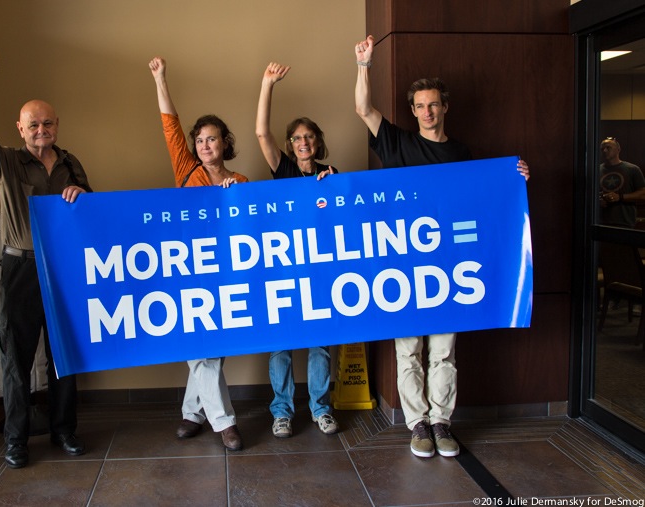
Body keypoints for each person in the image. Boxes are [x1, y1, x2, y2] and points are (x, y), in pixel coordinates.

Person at [353, 35, 530, 459]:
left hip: (448, 269)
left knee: (444, 352)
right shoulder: (397, 143)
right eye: (420, 106)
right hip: (403, 266)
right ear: (412, 111)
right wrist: (364, 64)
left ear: (444, 107)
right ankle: (417, 425)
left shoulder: (462, 153)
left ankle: (441, 422)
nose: (427, 112)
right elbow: (363, 108)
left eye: (434, 104)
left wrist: (514, 177)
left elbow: (482, 202)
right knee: (408, 351)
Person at [0, 54, 91, 469]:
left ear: (57, 126)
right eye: (33, 124)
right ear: (21, 129)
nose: (41, 130)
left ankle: (63, 430)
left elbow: (93, 215)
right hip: (21, 269)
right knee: (15, 358)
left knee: (63, 355)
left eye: (47, 123)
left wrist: (83, 199)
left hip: (65, 271)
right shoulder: (6, 161)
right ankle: (15, 440)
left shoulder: (71, 164)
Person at [148, 56, 247, 451]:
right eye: (200, 139)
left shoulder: (240, 182)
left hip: (224, 271)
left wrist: (234, 201)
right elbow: (170, 124)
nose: (206, 145)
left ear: (224, 143)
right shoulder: (186, 170)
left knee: (211, 350)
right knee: (199, 348)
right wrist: (160, 78)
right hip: (187, 268)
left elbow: (249, 229)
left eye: (213, 138)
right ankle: (224, 422)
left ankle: (193, 412)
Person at [255, 61, 340, 438]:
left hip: (320, 270)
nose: (303, 142)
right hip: (284, 267)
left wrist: (336, 188)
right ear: (290, 145)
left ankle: (321, 407)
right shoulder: (285, 171)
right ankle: (282, 412)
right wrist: (267, 84)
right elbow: (261, 133)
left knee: (320, 346)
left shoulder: (331, 174)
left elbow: (343, 220)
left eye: (309, 137)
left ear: (318, 142)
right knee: (282, 345)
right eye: (296, 138)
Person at [598, 137, 645, 227]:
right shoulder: (596, 170)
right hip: (600, 223)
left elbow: (643, 194)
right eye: (602, 149)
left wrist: (620, 197)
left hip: (625, 222)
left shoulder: (632, 169)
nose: (604, 151)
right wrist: (597, 201)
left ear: (618, 149)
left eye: (608, 147)